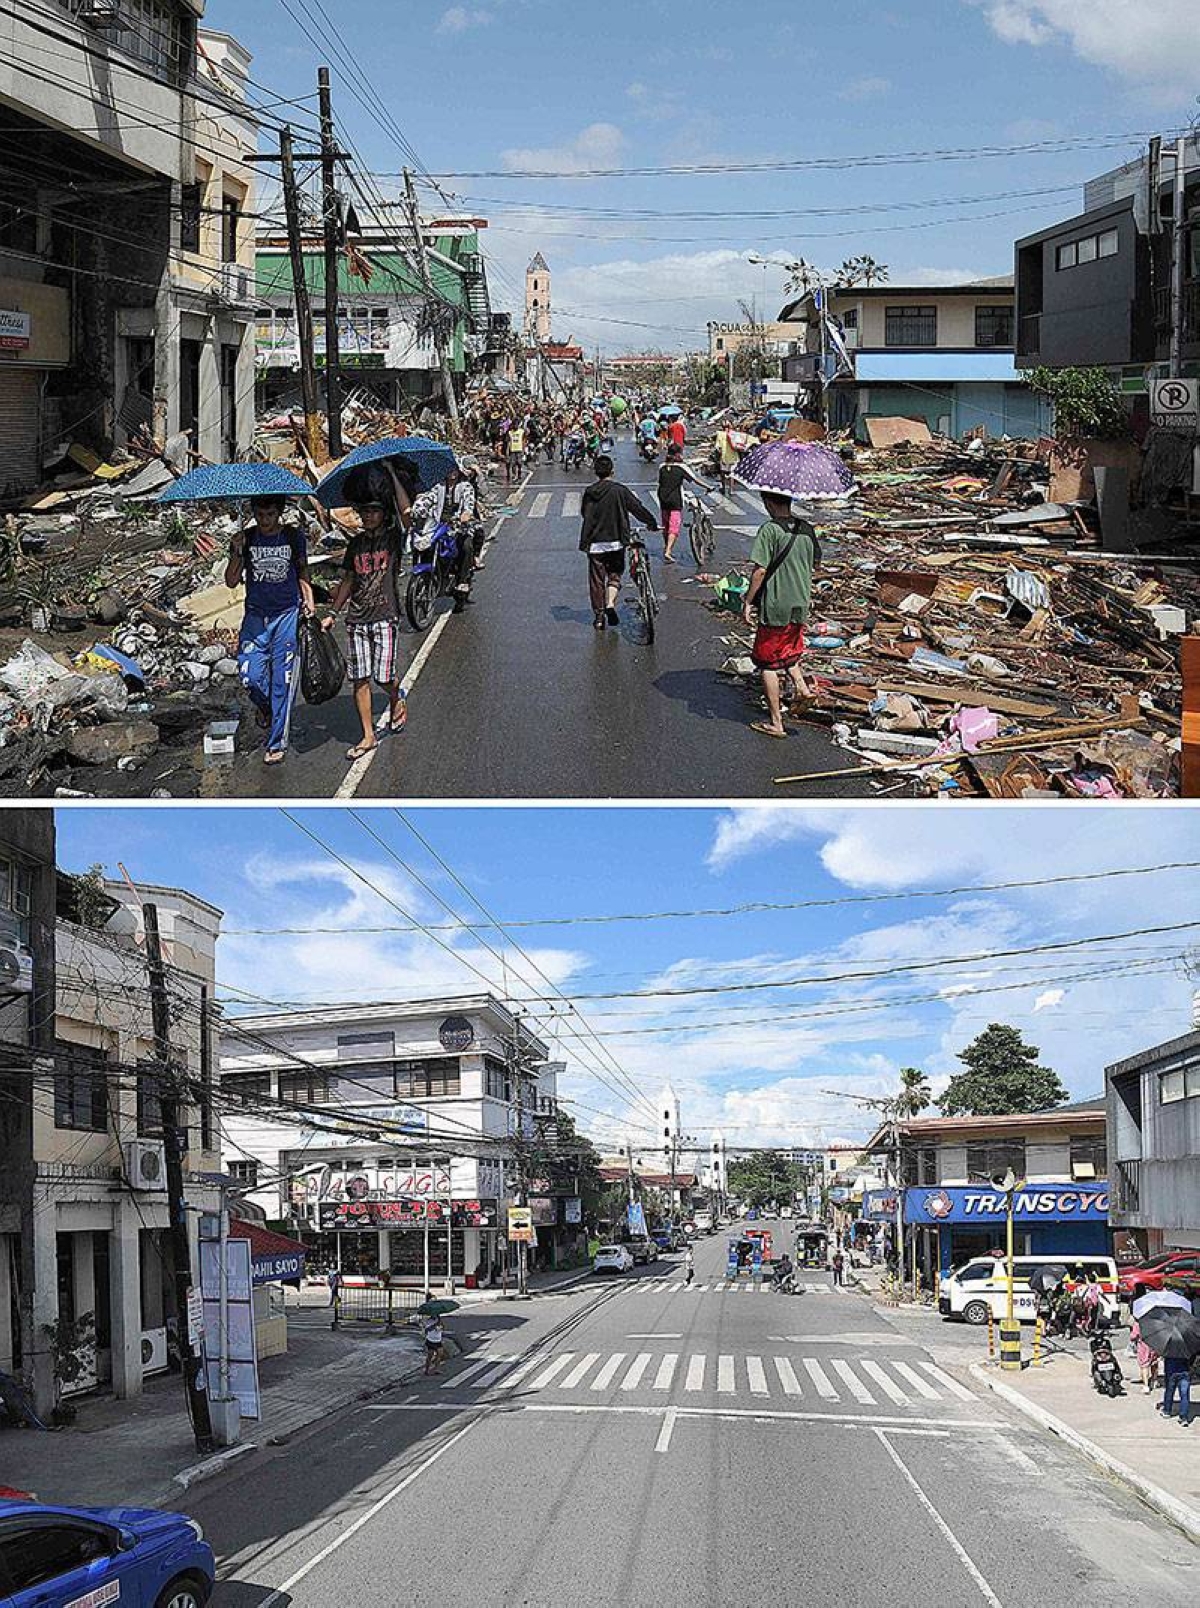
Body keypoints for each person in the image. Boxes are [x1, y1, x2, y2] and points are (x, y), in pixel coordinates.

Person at [322, 466, 408, 762]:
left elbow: (406, 513)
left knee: (384, 677)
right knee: (360, 677)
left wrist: (391, 474)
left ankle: (397, 697)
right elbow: (348, 580)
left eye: (374, 511)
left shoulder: (394, 539)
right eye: (364, 512)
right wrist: (333, 612)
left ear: (383, 512)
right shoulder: (356, 544)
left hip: (385, 615)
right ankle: (368, 735)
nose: (368, 516)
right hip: (357, 618)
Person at [226, 496, 314, 767]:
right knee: (249, 676)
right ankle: (265, 707)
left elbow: (301, 571)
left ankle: (276, 741)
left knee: (281, 682)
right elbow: (230, 581)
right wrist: (238, 552)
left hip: (286, 615)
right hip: (255, 617)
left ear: (280, 514)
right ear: (253, 513)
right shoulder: (245, 539)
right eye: (260, 515)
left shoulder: (292, 537)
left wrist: (308, 597)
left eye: (271, 515)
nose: (265, 521)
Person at [741, 491, 818, 739]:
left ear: (769, 502)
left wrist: (748, 601)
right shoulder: (806, 528)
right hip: (800, 602)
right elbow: (815, 563)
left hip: (776, 604)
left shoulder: (770, 530)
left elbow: (760, 571)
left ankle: (776, 722)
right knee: (789, 650)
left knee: (767, 663)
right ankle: (802, 688)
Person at [579, 454, 658, 631]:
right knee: (614, 575)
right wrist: (651, 522)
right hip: (616, 542)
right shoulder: (619, 490)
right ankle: (610, 603)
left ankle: (599, 618)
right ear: (612, 471)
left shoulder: (590, 492)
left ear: (596, 472)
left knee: (596, 581)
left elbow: (585, 513)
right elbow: (637, 508)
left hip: (594, 544)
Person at [656, 445, 708, 564]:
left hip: (663, 499)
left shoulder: (662, 467)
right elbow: (695, 480)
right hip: (675, 500)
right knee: (674, 526)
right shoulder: (681, 467)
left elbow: (660, 481)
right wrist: (708, 486)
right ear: (678, 455)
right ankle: (668, 551)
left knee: (666, 524)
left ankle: (667, 547)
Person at [1160, 1352, 1191, 1425]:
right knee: (1184, 1395)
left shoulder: (1169, 1346)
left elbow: (1163, 1355)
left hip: (1171, 1370)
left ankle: (1167, 1411)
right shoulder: (1187, 1345)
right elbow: (1191, 1358)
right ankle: (1183, 1417)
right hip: (1184, 1371)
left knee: (1169, 1391)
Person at [1131, 1316, 1159, 1395]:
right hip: (1155, 1344)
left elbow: (1133, 1336)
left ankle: (1146, 1386)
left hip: (1144, 1346)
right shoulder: (1156, 1321)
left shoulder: (1138, 1323)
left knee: (1144, 1366)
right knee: (1154, 1363)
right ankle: (1154, 1380)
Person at [421, 1312, 446, 1376]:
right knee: (430, 1355)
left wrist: (441, 1324)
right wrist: (435, 1324)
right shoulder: (428, 1321)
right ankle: (426, 1370)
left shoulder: (439, 1320)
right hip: (431, 1340)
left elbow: (443, 1328)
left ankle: (436, 1369)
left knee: (440, 1354)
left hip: (438, 1340)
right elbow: (427, 1329)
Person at [506, 417, 526, 484]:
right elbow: (508, 442)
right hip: (513, 450)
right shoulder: (510, 432)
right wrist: (507, 451)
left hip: (519, 449)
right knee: (513, 463)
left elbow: (523, 441)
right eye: (514, 425)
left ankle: (519, 474)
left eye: (516, 425)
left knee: (519, 463)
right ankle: (515, 475)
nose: (515, 426)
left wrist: (523, 449)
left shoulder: (522, 431)